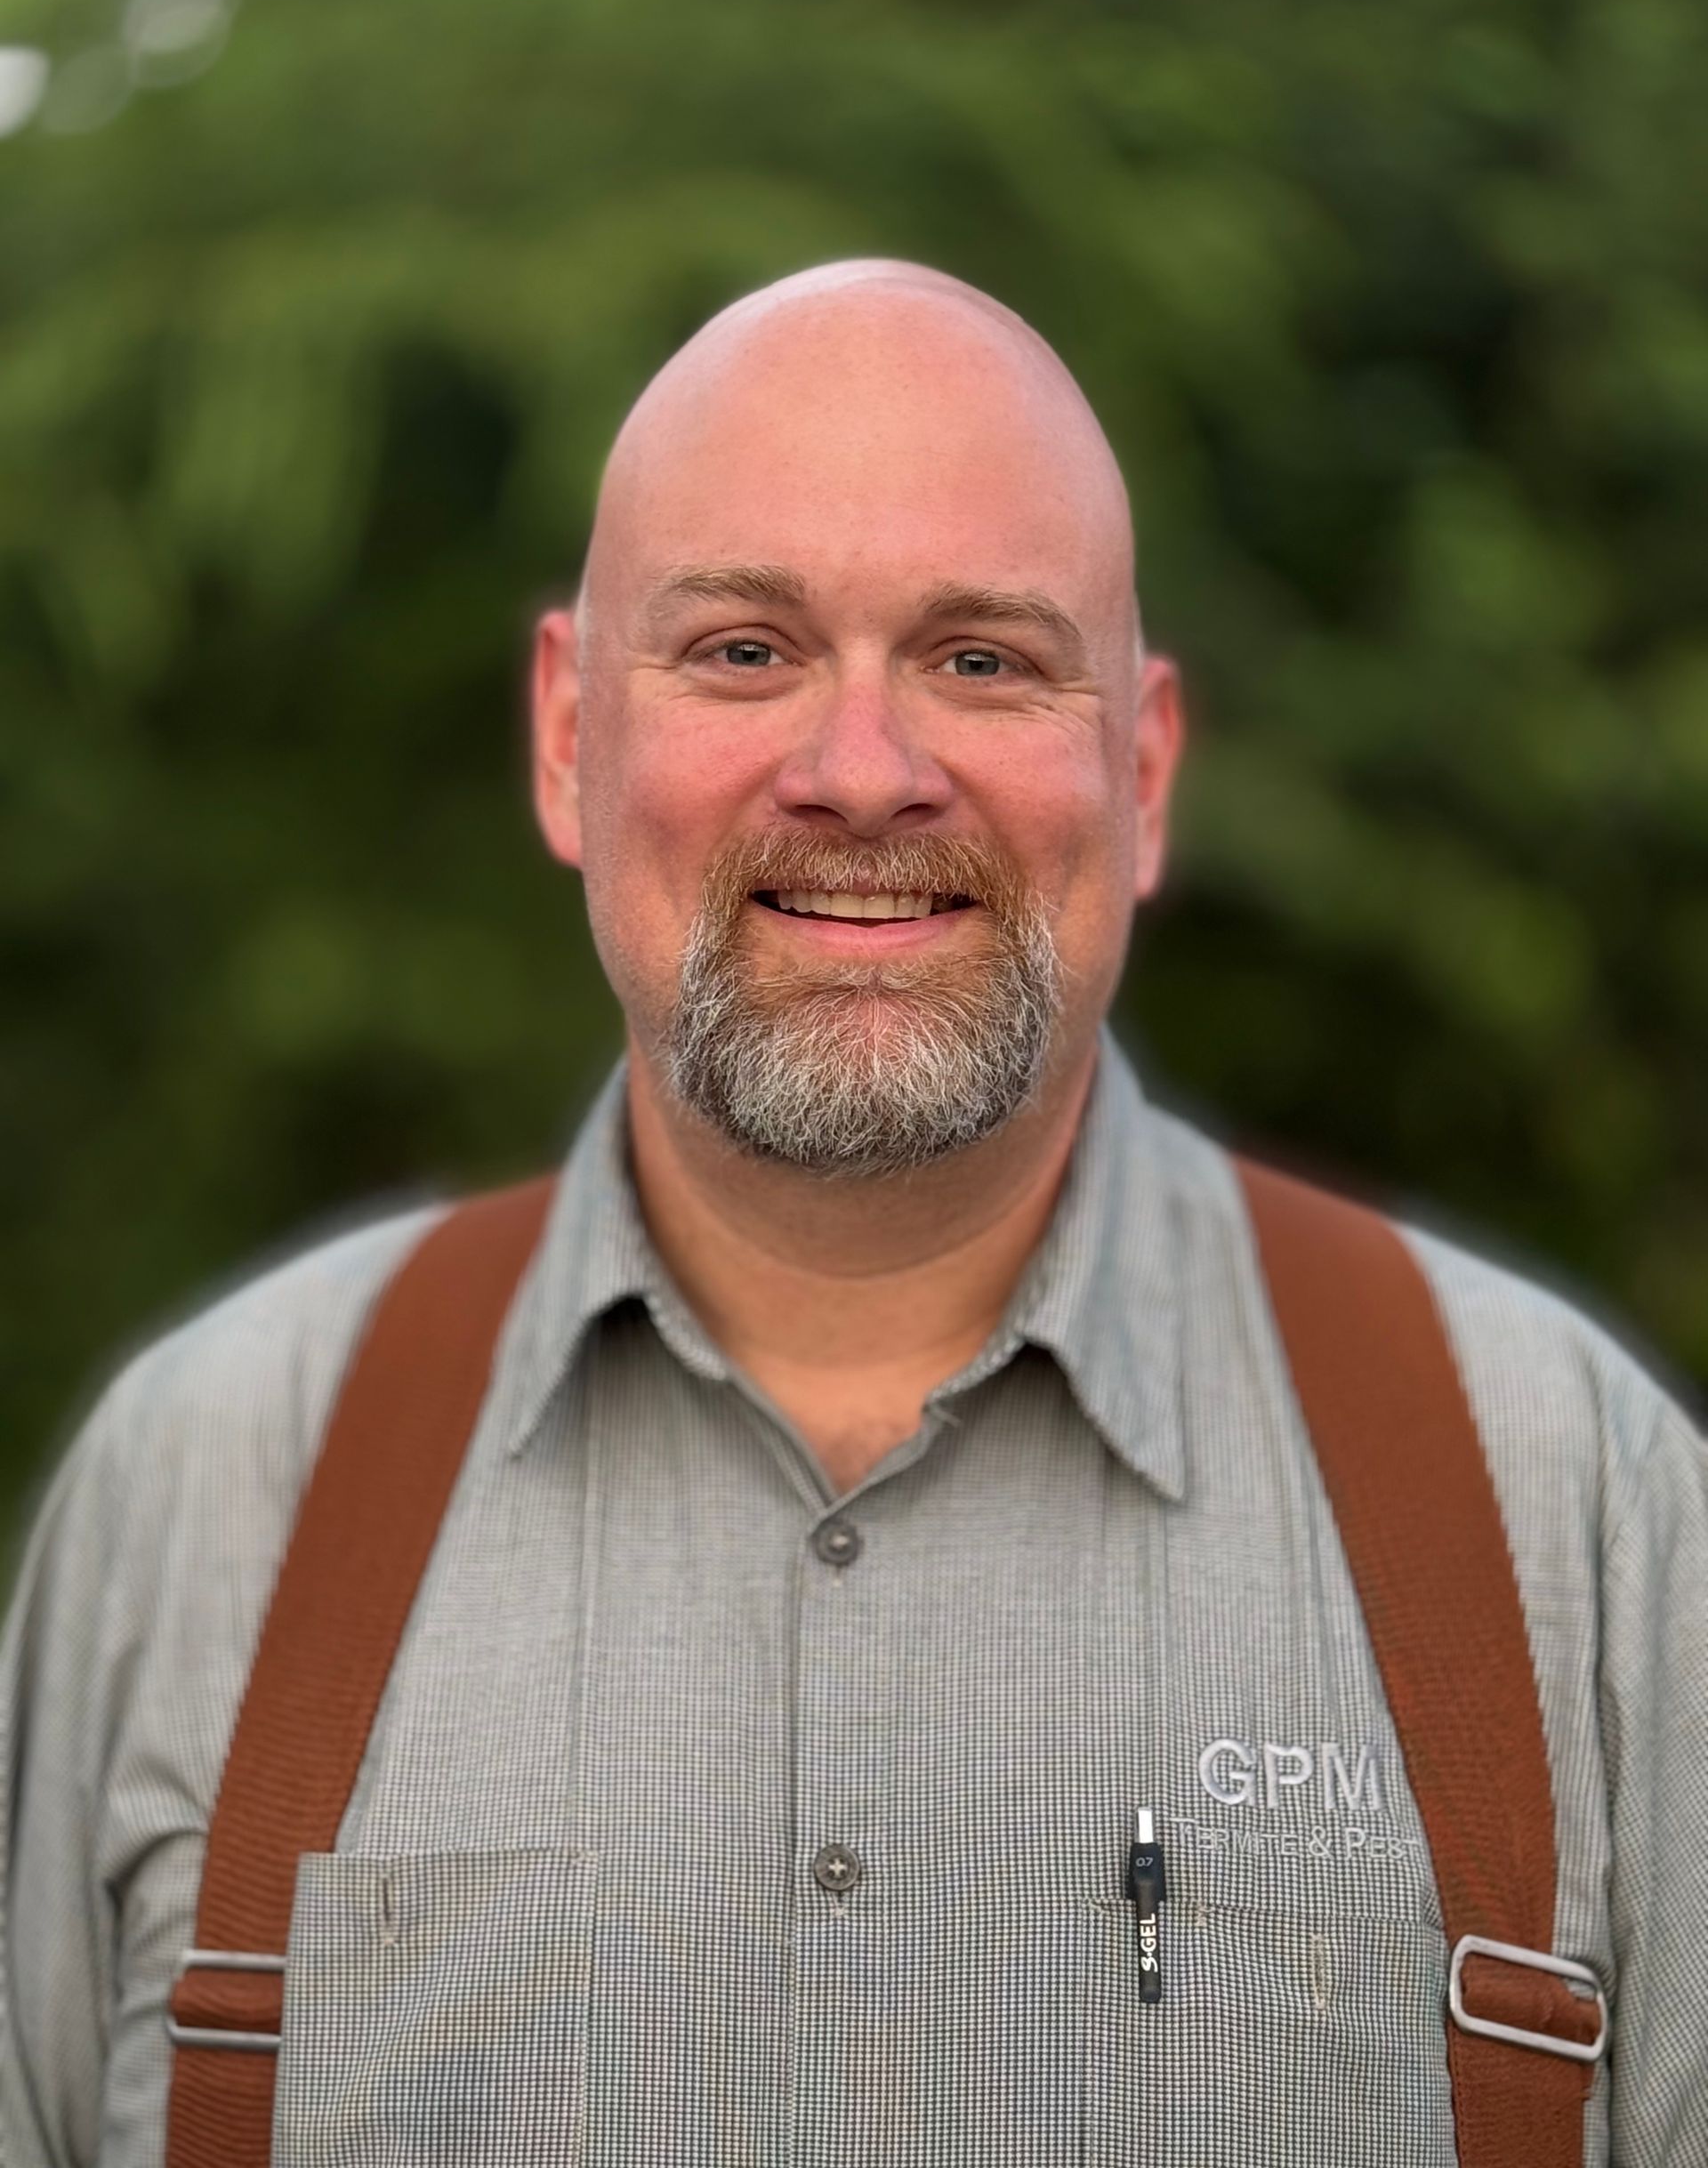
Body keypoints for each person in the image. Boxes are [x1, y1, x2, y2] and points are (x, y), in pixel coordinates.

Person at [3, 258, 1704, 2166]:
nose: (864, 774)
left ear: (1139, 773)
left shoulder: (1580, 1499)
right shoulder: (197, 1493)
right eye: (743, 648)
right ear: (571, 734)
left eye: (983, 657)